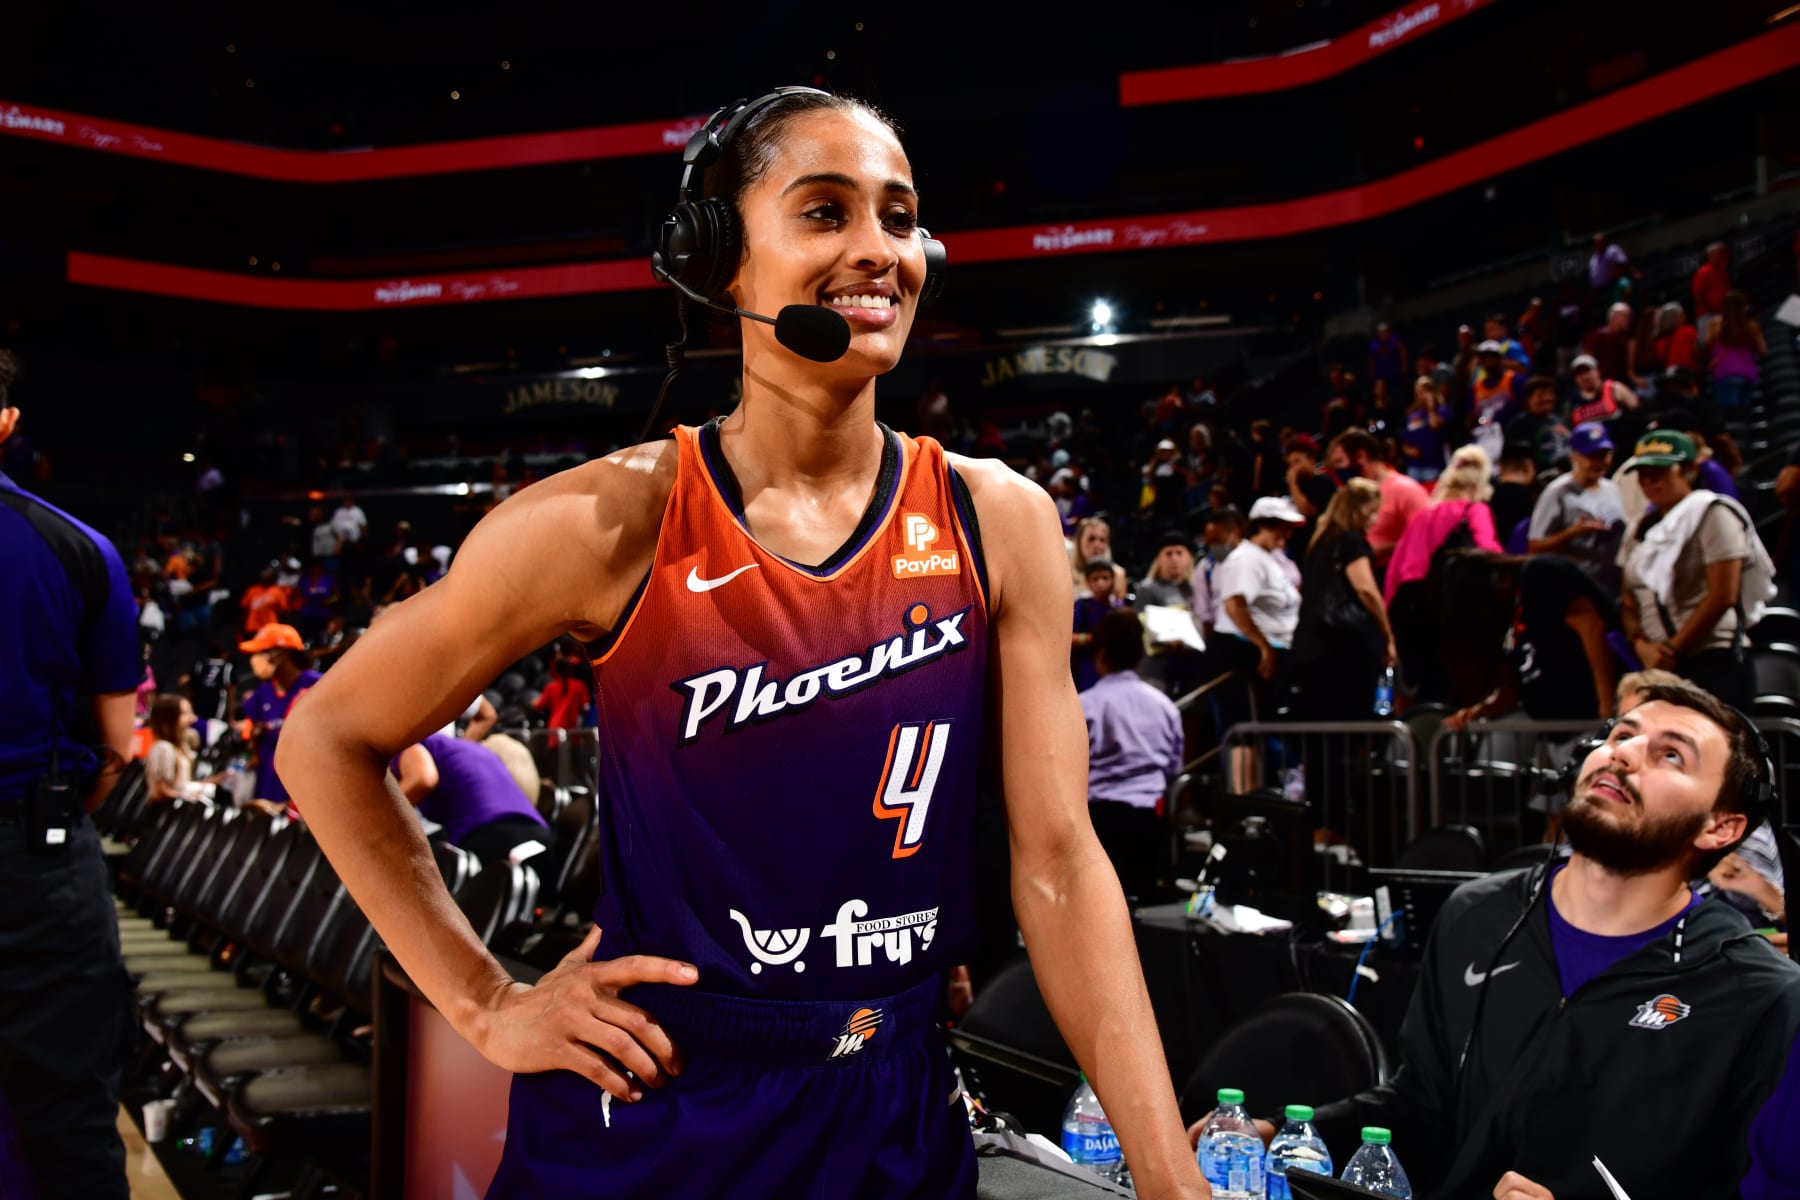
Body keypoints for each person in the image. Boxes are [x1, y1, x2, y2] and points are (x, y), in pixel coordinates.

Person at [277, 88, 1205, 1199]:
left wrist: (1171, 1179)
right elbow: (325, 738)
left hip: (894, 1097)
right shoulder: (600, 524)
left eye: (900, 218)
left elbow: (1058, 866)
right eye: (824, 212)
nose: (878, 251)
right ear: (720, 261)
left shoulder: (996, 521)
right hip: (665, 1108)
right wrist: (485, 1001)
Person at [1213, 682, 1800, 1197]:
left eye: (1670, 754)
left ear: (1720, 826)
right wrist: (1286, 1133)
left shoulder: (1758, 996)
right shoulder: (1478, 914)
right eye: (1620, 735)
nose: (1622, 756)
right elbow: (1423, 1105)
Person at [0, 392, 139, 1199]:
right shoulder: (77, 547)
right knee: (66, 1124)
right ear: (8, 422)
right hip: (33, 863)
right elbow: (114, 750)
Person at [1620, 430, 1776, 710]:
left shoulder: (1714, 513)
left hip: (1712, 658)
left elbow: (1723, 595)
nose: (1648, 480)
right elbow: (1629, 601)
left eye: (1660, 471)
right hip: (1657, 664)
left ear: (1689, 471)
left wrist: (1672, 649)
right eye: (1642, 473)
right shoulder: (1639, 527)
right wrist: (1641, 644)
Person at [1081, 610, 1183, 904]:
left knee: (1102, 905)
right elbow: (1174, 766)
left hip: (1099, 819)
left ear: (1100, 654)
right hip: (1149, 818)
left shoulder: (1085, 705)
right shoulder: (1165, 707)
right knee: (1143, 904)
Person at [1211, 496, 1305, 787]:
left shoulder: (1268, 559)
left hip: (1265, 652)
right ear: (1262, 525)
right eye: (1281, 527)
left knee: (1256, 732)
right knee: (1244, 732)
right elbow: (1234, 604)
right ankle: (1243, 801)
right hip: (1244, 654)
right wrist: (1264, 647)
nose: (1286, 534)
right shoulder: (1246, 558)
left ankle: (1255, 798)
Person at [1291, 478, 1394, 719]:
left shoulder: (1319, 542)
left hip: (1309, 647)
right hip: (1343, 652)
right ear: (1357, 510)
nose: (1374, 520)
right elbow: (1366, 590)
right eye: (1371, 513)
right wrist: (1388, 636)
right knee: (1349, 726)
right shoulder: (1351, 542)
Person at [390, 733, 557, 865]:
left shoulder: (408, 745)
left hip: (489, 837)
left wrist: (373, 815)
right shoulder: (470, 748)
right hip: (538, 834)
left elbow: (423, 779)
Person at [1383, 445, 1505, 604]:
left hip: (1418, 603)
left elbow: (1397, 566)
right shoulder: (1476, 511)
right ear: (1480, 486)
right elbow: (1489, 551)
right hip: (1458, 604)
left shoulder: (1423, 516)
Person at [1528, 422, 1625, 595]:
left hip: (1611, 587)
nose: (1600, 462)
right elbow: (1534, 547)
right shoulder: (1557, 492)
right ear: (1574, 456)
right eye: (1592, 456)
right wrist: (1572, 533)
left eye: (1604, 455)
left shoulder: (1613, 489)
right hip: (1573, 591)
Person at [238, 623, 320, 814]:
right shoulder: (263, 691)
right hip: (267, 777)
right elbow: (252, 732)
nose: (257, 659)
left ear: (284, 653)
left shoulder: (316, 684)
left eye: (264, 651)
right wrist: (255, 736)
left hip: (300, 781)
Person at [1329, 428, 1428, 568]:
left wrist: (1378, 549)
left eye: (1340, 461)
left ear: (1361, 456)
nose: (1337, 470)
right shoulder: (1349, 496)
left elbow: (1425, 539)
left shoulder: (1406, 490)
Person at [1134, 531, 1207, 697]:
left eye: (1179, 553)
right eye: (1168, 554)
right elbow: (1141, 626)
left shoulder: (1196, 588)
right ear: (1158, 559)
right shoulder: (1147, 589)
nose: (1174, 558)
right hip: (1157, 669)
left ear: (1189, 557)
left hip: (1192, 664)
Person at [144, 694, 226, 805]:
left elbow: (179, 784)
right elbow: (161, 791)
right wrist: (191, 798)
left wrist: (211, 781)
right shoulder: (163, 748)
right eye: (185, 713)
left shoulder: (179, 747)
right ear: (169, 717)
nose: (192, 718)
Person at [1702, 289, 1765, 411]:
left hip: (1724, 373)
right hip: (1748, 373)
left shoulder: (1715, 325)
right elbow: (1762, 350)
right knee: (1744, 417)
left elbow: (1707, 347)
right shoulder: (1752, 326)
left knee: (1730, 418)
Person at [1072, 556, 1120, 692]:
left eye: (1105, 578)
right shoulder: (1082, 606)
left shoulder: (1120, 607)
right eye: (1095, 579)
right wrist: (1090, 639)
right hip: (1088, 667)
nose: (1101, 583)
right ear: (1088, 582)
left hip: (1116, 666)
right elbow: (1067, 638)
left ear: (1113, 579)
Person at [1503, 375, 1570, 472]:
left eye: (1550, 394)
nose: (1547, 398)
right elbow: (1518, 462)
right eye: (1541, 394)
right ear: (1528, 399)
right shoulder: (1519, 424)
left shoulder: (1560, 421)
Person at [1399, 375, 1451, 483]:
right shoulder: (1412, 415)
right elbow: (1404, 443)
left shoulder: (1441, 411)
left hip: (1433, 466)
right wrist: (1410, 451)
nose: (1419, 397)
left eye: (1422, 393)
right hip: (1414, 467)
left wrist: (1431, 406)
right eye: (1417, 393)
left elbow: (1434, 425)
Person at [1567, 351, 1638, 429]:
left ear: (1598, 371)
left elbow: (1638, 411)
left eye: (1587, 371)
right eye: (1580, 373)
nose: (1585, 377)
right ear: (1575, 379)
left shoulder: (1615, 389)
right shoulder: (1573, 401)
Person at [1489, 441, 1538, 553]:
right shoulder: (1529, 499)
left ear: (1500, 468)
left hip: (1491, 561)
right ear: (1528, 467)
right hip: (1517, 563)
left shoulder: (1487, 496)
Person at [534, 655, 592, 731]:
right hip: (573, 730)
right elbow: (585, 708)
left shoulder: (551, 687)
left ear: (556, 670)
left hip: (555, 730)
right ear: (571, 669)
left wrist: (531, 702)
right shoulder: (579, 685)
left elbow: (538, 705)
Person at [1581, 301, 1635, 384]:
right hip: (1602, 383)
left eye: (1629, 316)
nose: (1629, 320)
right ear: (1614, 317)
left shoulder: (1628, 339)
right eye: (1625, 316)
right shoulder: (1598, 336)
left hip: (1622, 383)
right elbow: (1587, 361)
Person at [1692, 241, 1731, 340]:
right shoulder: (1703, 272)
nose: (1723, 255)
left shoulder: (1722, 271)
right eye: (1720, 253)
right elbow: (1698, 294)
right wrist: (1710, 310)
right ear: (1710, 255)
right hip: (1708, 315)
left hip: (1722, 313)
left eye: (1723, 253)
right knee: (1709, 342)